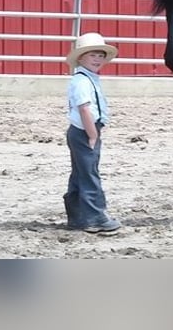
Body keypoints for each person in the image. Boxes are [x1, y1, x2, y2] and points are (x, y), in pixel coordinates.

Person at [63, 32, 121, 234]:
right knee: (89, 173)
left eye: (100, 55)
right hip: (85, 131)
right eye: (92, 55)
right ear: (80, 58)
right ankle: (94, 216)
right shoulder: (82, 81)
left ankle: (77, 216)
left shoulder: (88, 79)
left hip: (83, 130)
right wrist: (92, 134)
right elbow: (84, 109)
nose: (97, 59)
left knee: (81, 173)